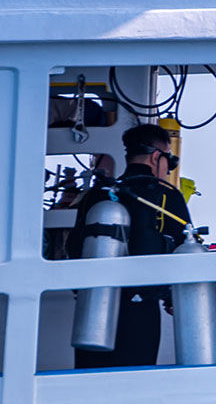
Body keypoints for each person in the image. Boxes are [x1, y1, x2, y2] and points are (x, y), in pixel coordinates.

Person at [65, 123, 193, 369]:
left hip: (94, 308)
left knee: (89, 380)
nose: (168, 169)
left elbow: (74, 246)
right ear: (157, 157)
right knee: (135, 380)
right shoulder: (166, 195)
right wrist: (171, 298)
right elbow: (184, 248)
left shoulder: (98, 194)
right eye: (170, 161)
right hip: (140, 309)